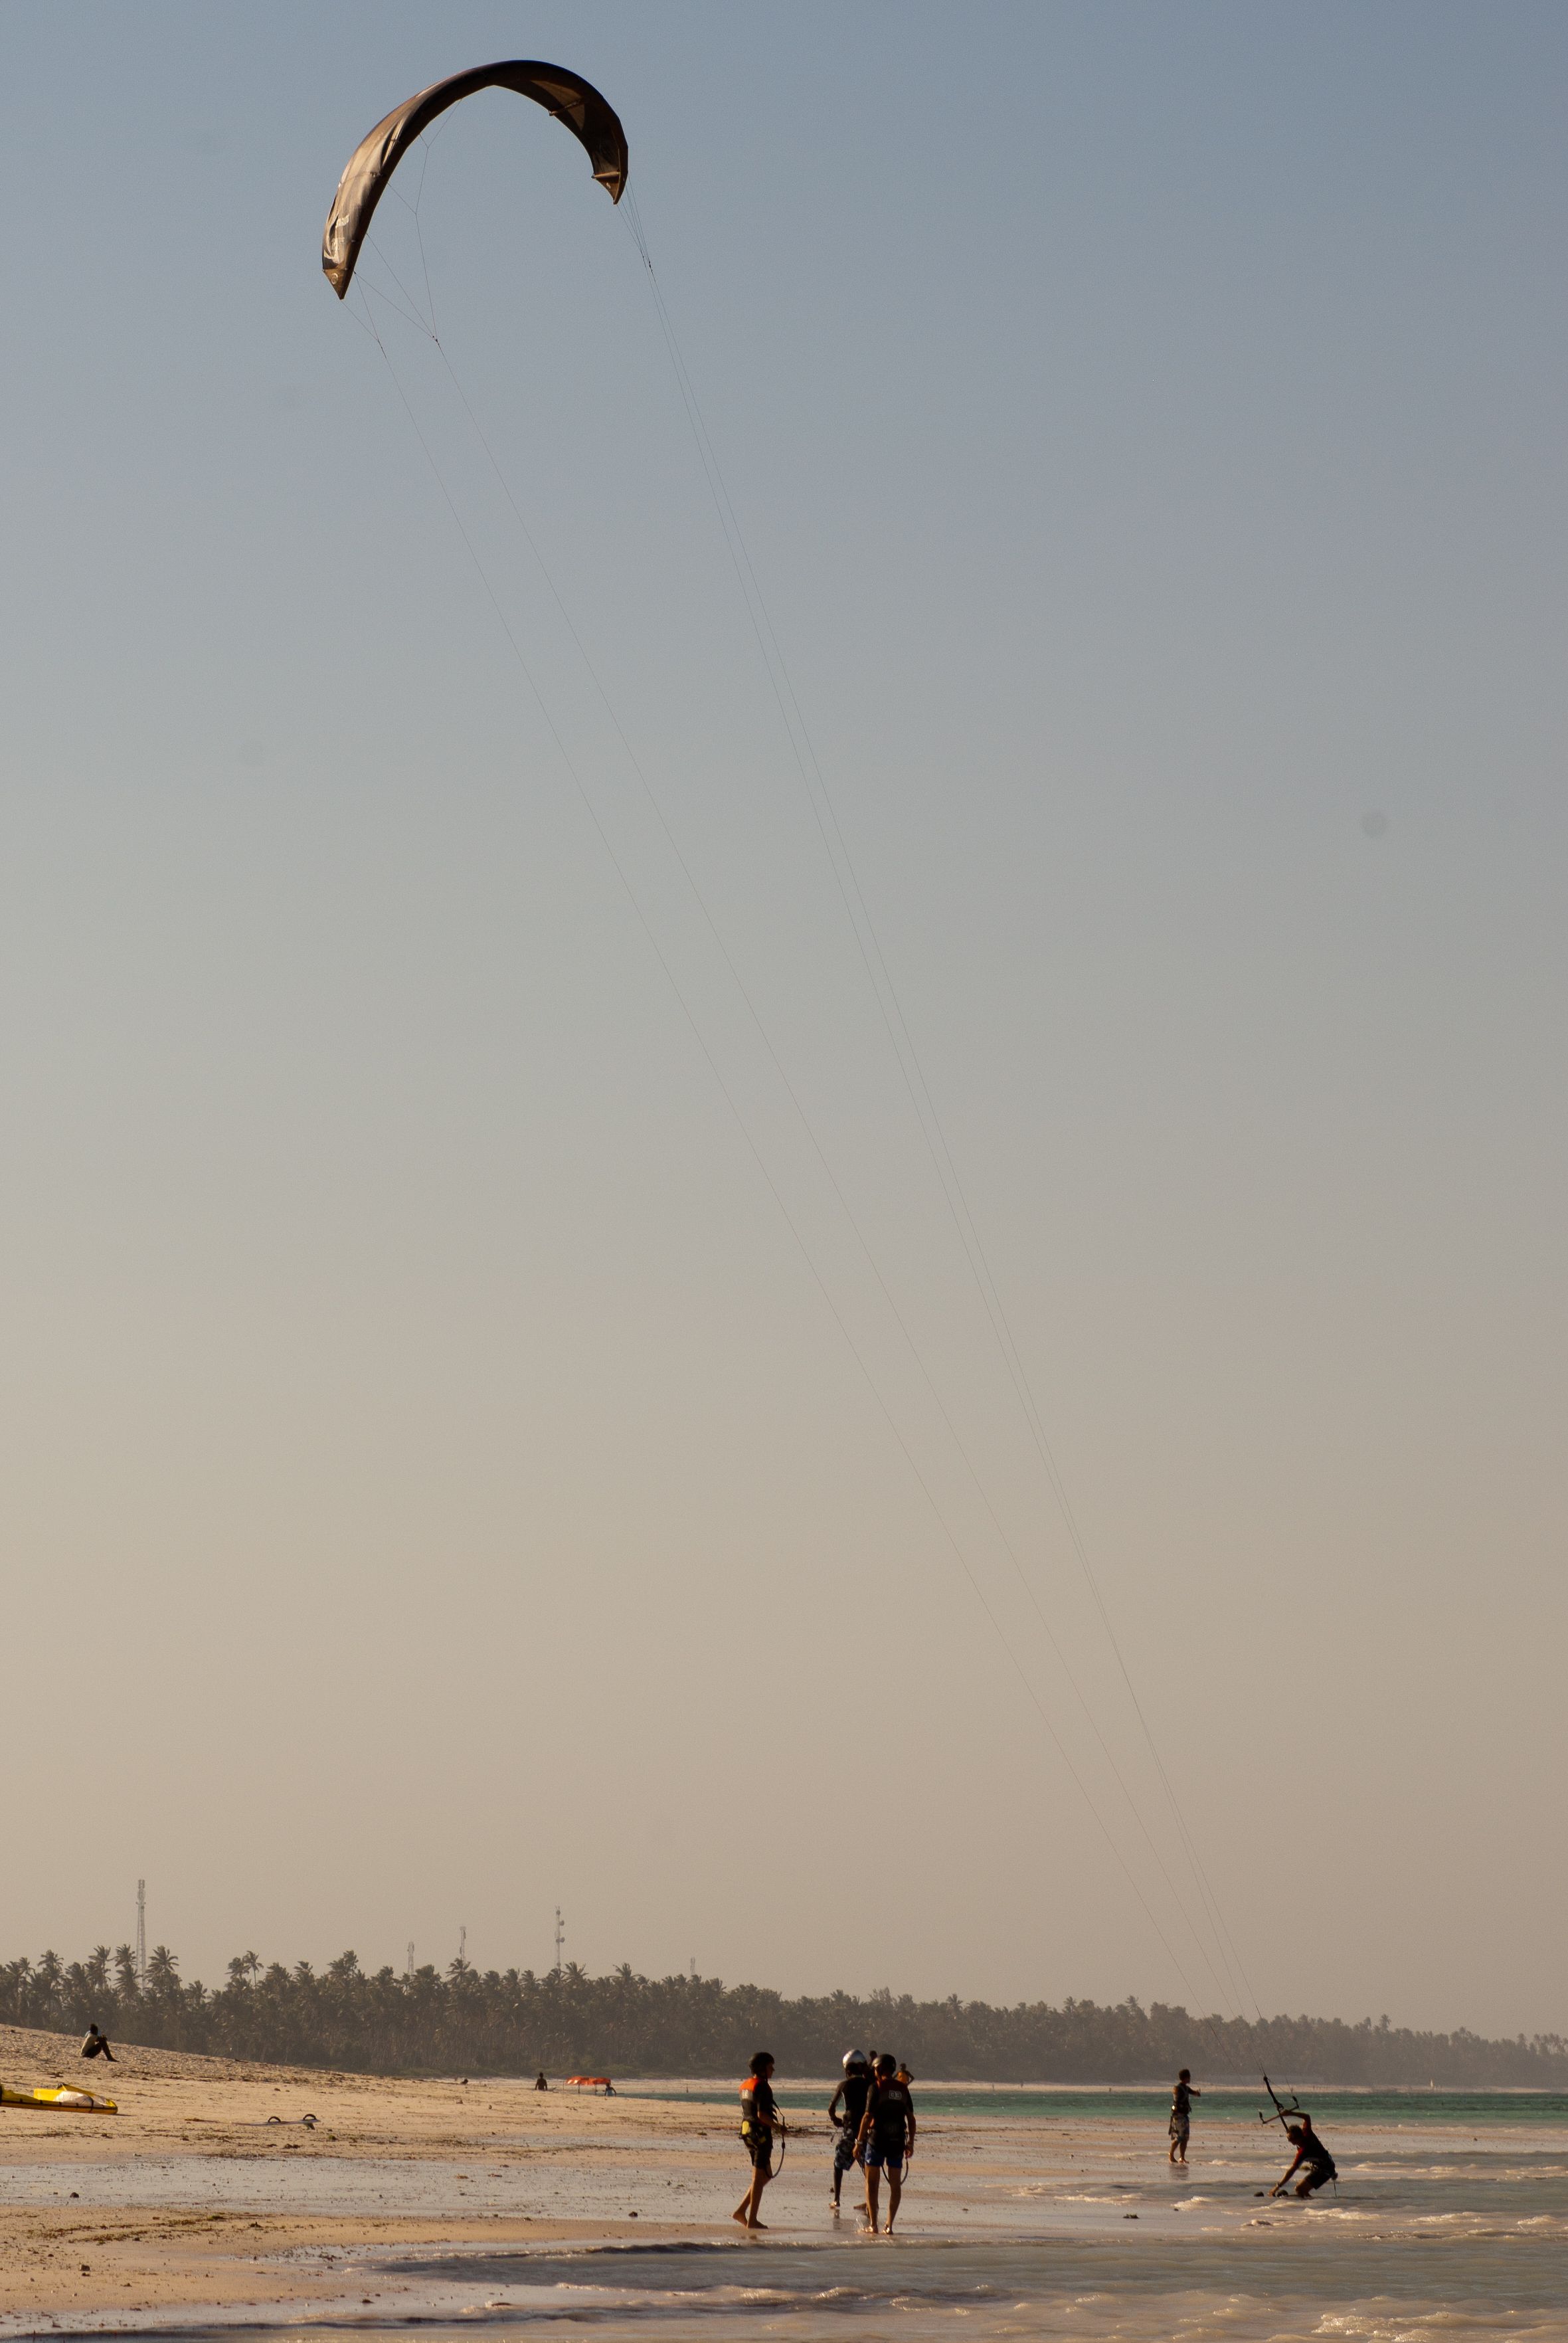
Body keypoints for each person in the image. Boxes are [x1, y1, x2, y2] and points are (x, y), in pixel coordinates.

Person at [856, 2053, 915, 2233]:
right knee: (895, 2185)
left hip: (876, 2140)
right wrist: (911, 2143)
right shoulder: (903, 2089)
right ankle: (889, 2225)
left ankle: (873, 2225)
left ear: (878, 2069)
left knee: (871, 2183)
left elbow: (867, 2117)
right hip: (897, 2141)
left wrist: (859, 2142)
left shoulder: (876, 2087)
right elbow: (911, 2119)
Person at [734, 2051, 782, 2230]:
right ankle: (752, 2220)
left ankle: (741, 2211)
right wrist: (778, 2128)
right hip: (760, 2135)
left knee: (765, 2175)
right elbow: (762, 2114)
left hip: (747, 2132)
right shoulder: (762, 2086)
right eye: (771, 2067)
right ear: (762, 2069)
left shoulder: (745, 2086)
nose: (773, 2070)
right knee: (758, 2177)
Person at [826, 2050, 873, 2212]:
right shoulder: (870, 2085)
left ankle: (837, 2199)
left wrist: (836, 2120)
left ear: (847, 2071)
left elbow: (831, 2108)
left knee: (839, 2163)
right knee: (867, 2167)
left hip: (850, 2130)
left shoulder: (844, 2085)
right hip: (867, 2130)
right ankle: (869, 2202)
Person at [1272, 2114, 1337, 2198]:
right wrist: (1290, 2112)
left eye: (1290, 2139)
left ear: (1297, 2138)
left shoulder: (1304, 2151)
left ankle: (1311, 2206)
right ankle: (1309, 2203)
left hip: (1325, 2170)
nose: (1289, 2141)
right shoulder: (1307, 2132)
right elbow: (1307, 2117)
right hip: (1323, 2166)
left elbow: (1291, 2171)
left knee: (1299, 2189)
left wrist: (1277, 2187)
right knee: (1302, 2190)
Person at [1168, 2067, 1199, 2164]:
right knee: (1180, 2137)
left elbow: (1194, 2093)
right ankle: (1171, 2154)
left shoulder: (1186, 2088)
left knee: (1185, 2137)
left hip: (1185, 2116)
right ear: (1186, 2078)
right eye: (1189, 2077)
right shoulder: (1178, 2088)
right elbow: (1176, 2100)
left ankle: (1182, 2157)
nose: (1190, 2079)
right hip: (1178, 2116)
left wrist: (1197, 2093)